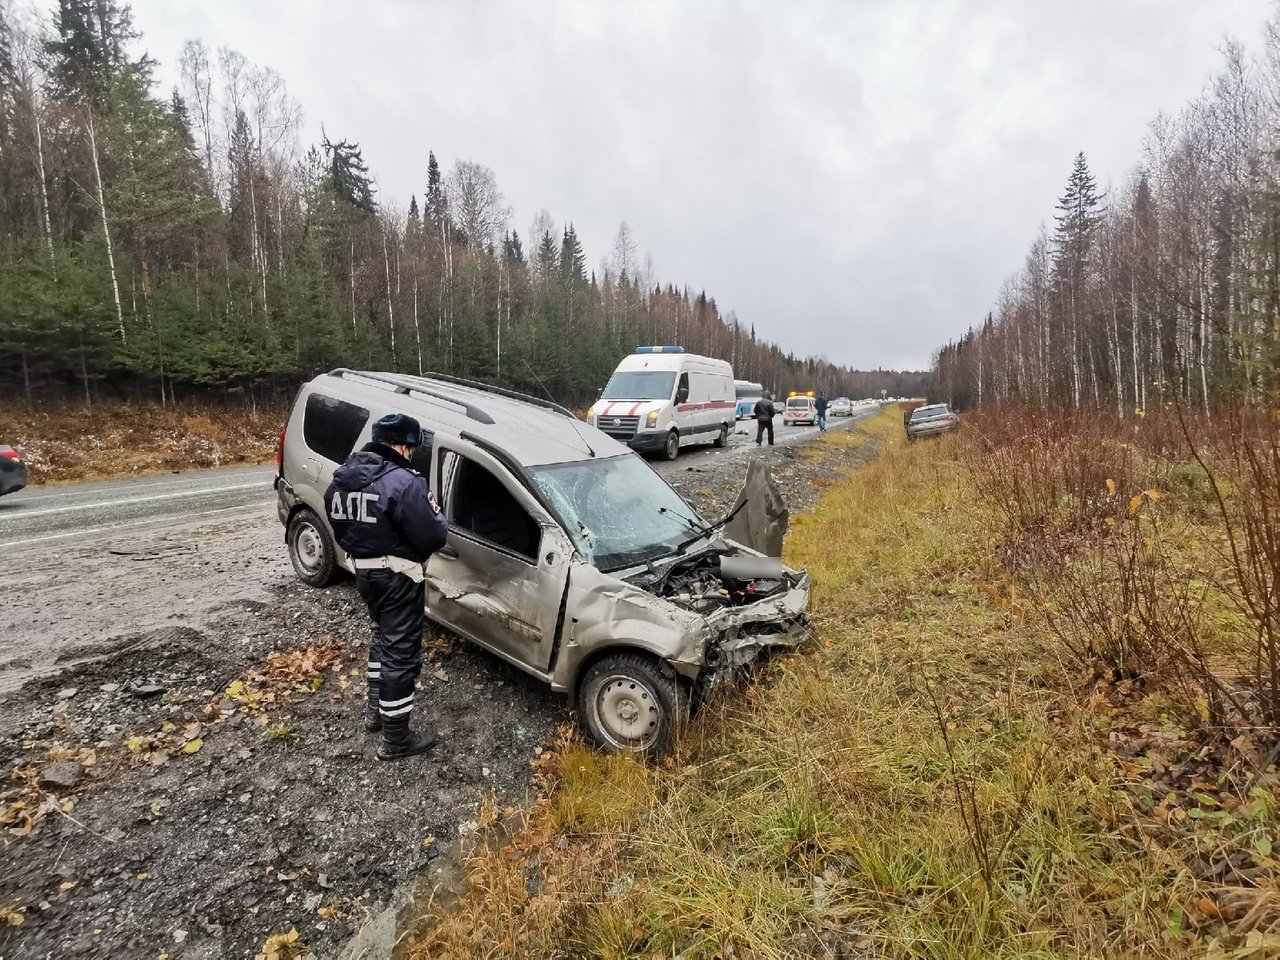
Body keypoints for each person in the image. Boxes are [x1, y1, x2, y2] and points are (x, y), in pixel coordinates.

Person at [325, 413, 448, 761]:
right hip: (399, 576)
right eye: (410, 448)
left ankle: (375, 713)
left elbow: (340, 527)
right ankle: (396, 739)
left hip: (364, 574)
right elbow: (434, 534)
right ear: (400, 445)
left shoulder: (342, 480)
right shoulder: (404, 483)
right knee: (401, 653)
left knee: (381, 637)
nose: (411, 454)